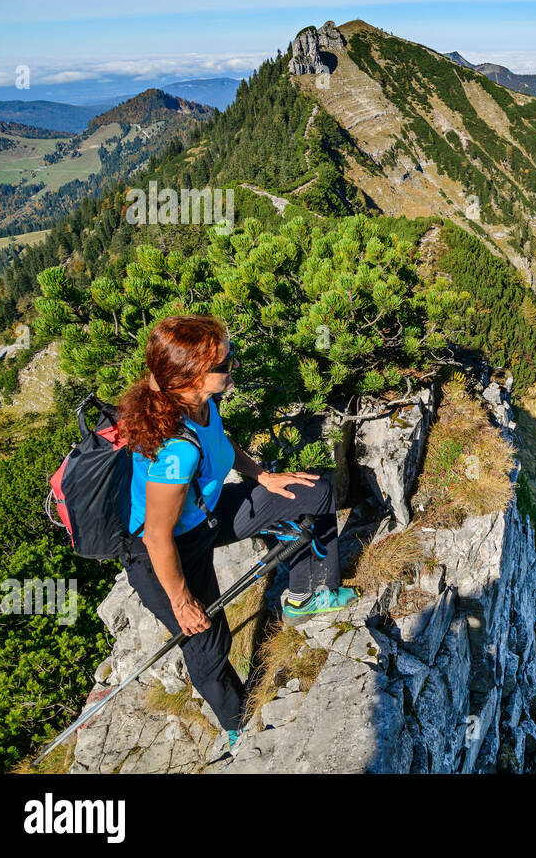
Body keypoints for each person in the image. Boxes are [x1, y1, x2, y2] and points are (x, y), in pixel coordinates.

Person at [117, 314, 358, 747]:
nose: (233, 368)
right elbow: (156, 536)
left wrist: (262, 475)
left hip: (206, 517)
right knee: (208, 641)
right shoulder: (174, 451)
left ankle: (308, 594)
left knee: (312, 492)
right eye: (224, 364)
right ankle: (238, 723)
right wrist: (182, 600)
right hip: (164, 553)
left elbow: (223, 445)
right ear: (191, 377)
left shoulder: (202, 403)